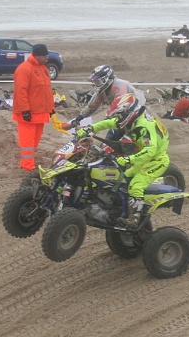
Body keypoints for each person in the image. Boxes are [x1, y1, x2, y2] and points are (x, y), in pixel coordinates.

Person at [77, 93, 169, 229]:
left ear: (129, 112)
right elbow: (110, 122)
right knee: (122, 180)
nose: (117, 119)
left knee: (136, 186)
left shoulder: (143, 126)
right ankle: (121, 210)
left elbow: (150, 151)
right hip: (142, 156)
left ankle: (135, 219)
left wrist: (127, 159)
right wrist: (90, 128)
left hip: (156, 159)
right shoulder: (131, 118)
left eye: (119, 116)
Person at [12, 44, 55, 171]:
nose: (47, 58)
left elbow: (47, 91)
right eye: (45, 55)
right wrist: (25, 109)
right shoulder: (24, 69)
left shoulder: (43, 69)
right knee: (27, 144)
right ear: (37, 55)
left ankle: (27, 164)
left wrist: (51, 109)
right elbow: (21, 91)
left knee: (33, 144)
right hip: (28, 114)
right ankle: (28, 167)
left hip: (41, 113)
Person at [65, 64, 145, 130]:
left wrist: (103, 123)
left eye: (97, 81)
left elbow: (120, 108)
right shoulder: (102, 90)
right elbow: (91, 106)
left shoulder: (119, 86)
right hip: (125, 114)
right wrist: (78, 118)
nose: (95, 84)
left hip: (138, 113)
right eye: (95, 82)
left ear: (106, 79)